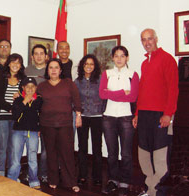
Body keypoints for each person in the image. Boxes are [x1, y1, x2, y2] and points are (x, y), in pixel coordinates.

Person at [133, 29, 179, 196]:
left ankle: (158, 192)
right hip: (144, 115)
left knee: (160, 155)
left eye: (150, 39)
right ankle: (149, 189)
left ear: (156, 39)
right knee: (144, 154)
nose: (147, 43)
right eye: (143, 40)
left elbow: (173, 89)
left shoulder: (168, 59)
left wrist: (168, 114)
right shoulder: (145, 63)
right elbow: (143, 91)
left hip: (161, 115)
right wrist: (137, 113)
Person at [37, 58, 81, 193]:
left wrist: (78, 116)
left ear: (60, 70)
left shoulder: (68, 84)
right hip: (46, 124)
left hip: (65, 123)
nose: (54, 70)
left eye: (56, 67)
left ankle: (71, 182)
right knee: (51, 153)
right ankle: (53, 180)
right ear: (47, 70)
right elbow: (36, 106)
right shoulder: (42, 86)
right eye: (51, 67)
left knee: (67, 153)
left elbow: (77, 100)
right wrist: (37, 126)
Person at [99, 46, 139, 196]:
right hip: (109, 117)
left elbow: (133, 97)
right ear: (112, 58)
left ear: (127, 58)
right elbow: (102, 94)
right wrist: (123, 93)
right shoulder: (106, 74)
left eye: (122, 56)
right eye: (116, 56)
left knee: (126, 153)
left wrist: (111, 93)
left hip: (126, 117)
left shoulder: (133, 74)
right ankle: (113, 180)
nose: (119, 59)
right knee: (111, 152)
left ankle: (125, 182)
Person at [0, 53, 26, 176]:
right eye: (13, 62)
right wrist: (10, 108)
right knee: (2, 146)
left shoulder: (23, 79)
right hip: (2, 117)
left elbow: (27, 96)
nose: (15, 65)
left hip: (16, 118)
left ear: (21, 65)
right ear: (9, 63)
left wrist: (20, 97)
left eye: (18, 62)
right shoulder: (1, 77)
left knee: (14, 147)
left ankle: (12, 173)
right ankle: (0, 173)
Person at [7, 77, 42, 190]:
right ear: (23, 88)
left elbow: (41, 115)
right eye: (27, 86)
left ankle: (33, 180)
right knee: (15, 157)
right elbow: (15, 115)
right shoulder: (18, 99)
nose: (30, 89)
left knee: (33, 157)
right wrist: (24, 101)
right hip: (18, 131)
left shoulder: (39, 100)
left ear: (36, 88)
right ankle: (12, 178)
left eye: (32, 86)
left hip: (32, 132)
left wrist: (39, 128)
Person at [74, 54, 103, 186]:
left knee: (97, 148)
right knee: (82, 147)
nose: (89, 66)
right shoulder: (77, 81)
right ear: (82, 66)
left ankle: (97, 176)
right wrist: (78, 115)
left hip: (97, 117)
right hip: (82, 117)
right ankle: (82, 175)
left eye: (91, 64)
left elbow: (105, 97)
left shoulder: (101, 80)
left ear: (95, 66)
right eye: (86, 64)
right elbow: (74, 100)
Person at [25, 44, 48, 183]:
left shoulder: (51, 70)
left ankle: (44, 173)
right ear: (32, 56)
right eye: (36, 54)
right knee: (31, 147)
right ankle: (31, 174)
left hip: (46, 113)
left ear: (46, 56)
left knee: (46, 148)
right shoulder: (26, 70)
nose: (39, 56)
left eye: (41, 53)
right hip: (30, 114)